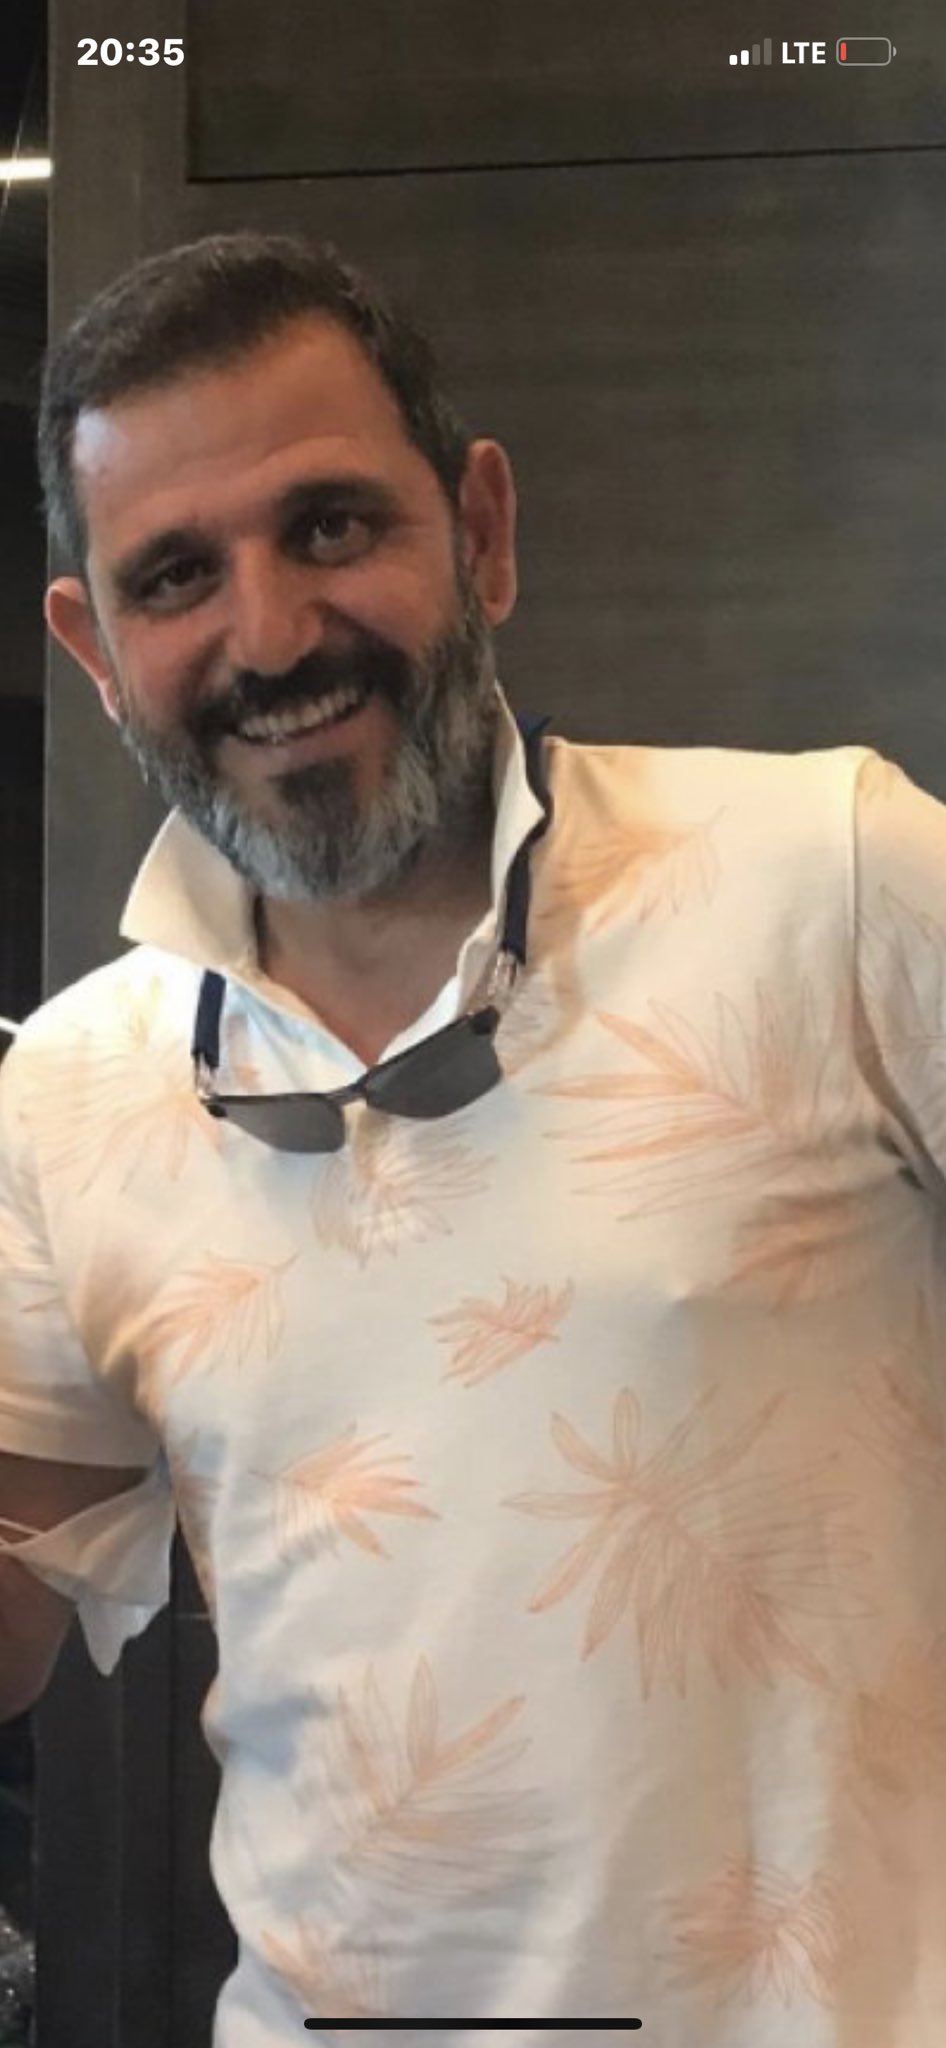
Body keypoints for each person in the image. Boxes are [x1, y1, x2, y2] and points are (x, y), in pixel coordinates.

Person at [2, 231, 946, 2048]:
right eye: (176, 576)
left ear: (482, 531)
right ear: (95, 650)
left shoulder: (832, 879)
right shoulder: (71, 1084)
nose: (269, 636)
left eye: (331, 526)